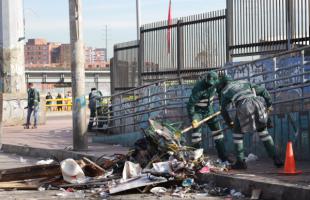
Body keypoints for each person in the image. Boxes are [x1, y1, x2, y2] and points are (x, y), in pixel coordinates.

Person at [216, 74, 283, 169]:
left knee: (237, 134)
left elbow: (223, 110)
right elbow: (263, 91)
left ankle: (240, 162)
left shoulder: (225, 90)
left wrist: (230, 123)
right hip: (258, 104)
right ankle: (277, 159)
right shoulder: (244, 82)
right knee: (263, 132)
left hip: (244, 106)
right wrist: (269, 105)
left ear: (222, 84)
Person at [187, 71, 229, 162]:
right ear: (206, 80)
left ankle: (223, 158)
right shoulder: (198, 88)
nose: (210, 85)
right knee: (196, 135)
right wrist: (193, 118)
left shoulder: (217, 83)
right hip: (198, 112)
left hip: (210, 111)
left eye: (212, 84)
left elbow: (220, 92)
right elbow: (190, 105)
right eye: (209, 84)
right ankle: (196, 159)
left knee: (218, 133)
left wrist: (221, 105)